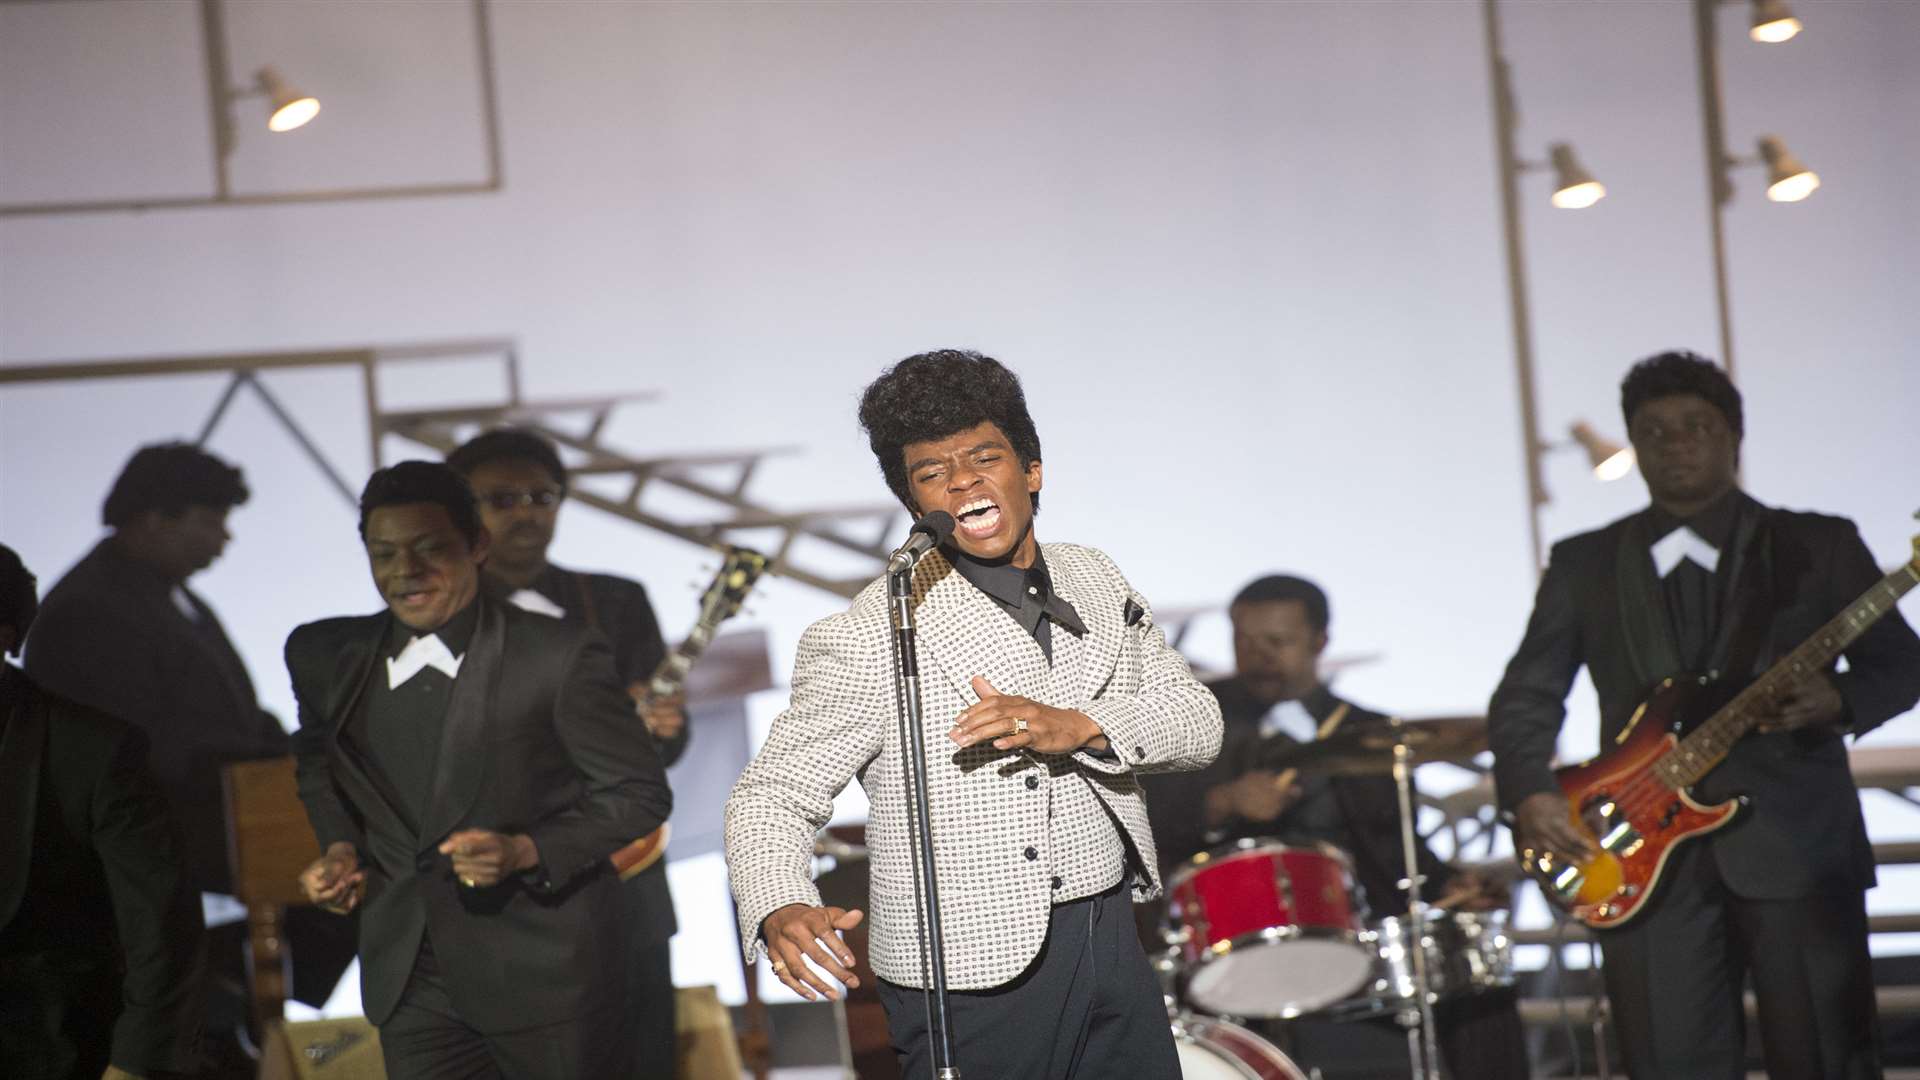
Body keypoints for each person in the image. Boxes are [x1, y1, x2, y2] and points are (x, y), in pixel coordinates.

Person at [724, 349, 1223, 1079]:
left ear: (1032, 470)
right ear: (914, 505)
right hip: (969, 968)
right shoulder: (870, 632)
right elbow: (772, 795)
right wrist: (779, 904)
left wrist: (1082, 724)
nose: (961, 481)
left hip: (1110, 930)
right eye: (932, 473)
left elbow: (1197, 719)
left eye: (983, 458)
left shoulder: (1094, 573)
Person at [1489, 350, 1920, 1080]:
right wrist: (1531, 788)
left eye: (1697, 426)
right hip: (1637, 857)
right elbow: (1528, 694)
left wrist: (1840, 700)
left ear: (1733, 438)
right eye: (1654, 431)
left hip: (1797, 851)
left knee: (1826, 1060)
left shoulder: (1818, 543)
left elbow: (1902, 665)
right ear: (1634, 444)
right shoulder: (1583, 563)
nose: (1676, 443)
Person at [286, 461, 672, 1079]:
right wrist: (338, 847)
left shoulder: (558, 654)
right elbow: (316, 764)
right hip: (408, 975)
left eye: (429, 549)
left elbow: (639, 794)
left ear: (477, 546)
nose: (404, 572)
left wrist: (524, 850)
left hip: (547, 977)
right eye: (383, 553)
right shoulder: (323, 655)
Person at [23, 441, 350, 1068]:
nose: (224, 538)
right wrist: (257, 759)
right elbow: (134, 743)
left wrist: (301, 747)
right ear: (155, 517)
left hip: (227, 830)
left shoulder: (172, 597)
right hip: (165, 842)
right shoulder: (89, 609)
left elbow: (235, 712)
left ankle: (247, 1014)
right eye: (212, 520)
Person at [1141, 574, 1528, 1080]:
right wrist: (1220, 802)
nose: (1258, 656)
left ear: (1320, 642)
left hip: (1355, 943)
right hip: (1223, 953)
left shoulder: (1368, 734)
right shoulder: (1192, 723)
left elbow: (1404, 850)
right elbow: (1141, 826)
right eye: (1244, 641)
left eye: (1277, 642)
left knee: (1481, 986)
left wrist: (1452, 885)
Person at [447, 426, 687, 1076]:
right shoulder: (441, 615)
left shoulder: (616, 600)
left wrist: (660, 725)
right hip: (507, 894)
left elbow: (665, 752)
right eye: (502, 498)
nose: (525, 511)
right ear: (460, 509)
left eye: (541, 495)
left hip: (623, 881)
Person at [1, 543, 207, 1080]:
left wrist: (135, 1062)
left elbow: (162, 921)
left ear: (8, 634)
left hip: (57, 1042)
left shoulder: (95, 748)